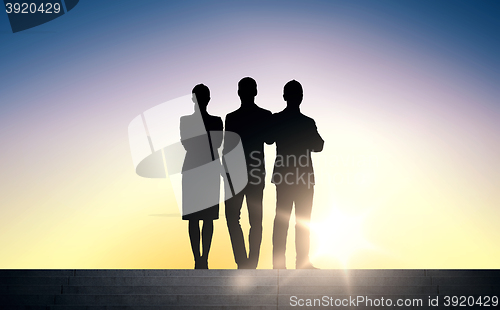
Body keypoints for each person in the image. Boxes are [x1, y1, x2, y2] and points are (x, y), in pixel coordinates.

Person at [270, 80, 324, 269]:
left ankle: (280, 264)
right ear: (300, 97)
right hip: (302, 178)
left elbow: (269, 139)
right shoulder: (307, 122)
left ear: (285, 97)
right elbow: (318, 145)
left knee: (283, 220)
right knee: (301, 221)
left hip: (287, 177)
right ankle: (301, 262)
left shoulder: (278, 119)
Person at [223, 77, 273, 269]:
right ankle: (250, 263)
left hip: (236, 174)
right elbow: (269, 140)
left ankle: (243, 262)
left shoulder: (232, 117)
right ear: (255, 92)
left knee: (233, 217)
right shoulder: (263, 115)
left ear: (239, 93)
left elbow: (228, 148)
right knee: (255, 219)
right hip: (254, 172)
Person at [180, 84, 223, 269]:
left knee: (206, 217)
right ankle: (199, 258)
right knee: (195, 218)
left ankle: (203, 258)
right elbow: (188, 143)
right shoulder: (187, 121)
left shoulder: (215, 120)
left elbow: (217, 143)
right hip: (197, 170)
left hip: (205, 171)